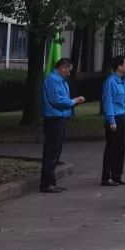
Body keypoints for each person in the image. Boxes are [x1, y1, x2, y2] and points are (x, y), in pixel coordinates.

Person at [40, 58, 86, 193]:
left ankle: (50, 181)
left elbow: (61, 99)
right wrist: (73, 101)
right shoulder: (53, 79)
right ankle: (47, 183)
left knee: (55, 151)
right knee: (52, 152)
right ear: (63, 68)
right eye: (68, 70)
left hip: (59, 118)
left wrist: (73, 102)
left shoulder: (59, 80)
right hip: (54, 118)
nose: (69, 73)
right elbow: (57, 100)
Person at [100, 55, 125, 186]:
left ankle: (117, 175)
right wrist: (111, 120)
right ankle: (106, 177)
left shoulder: (123, 81)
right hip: (114, 118)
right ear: (119, 66)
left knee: (121, 148)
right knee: (112, 148)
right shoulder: (110, 82)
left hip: (123, 118)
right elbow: (108, 102)